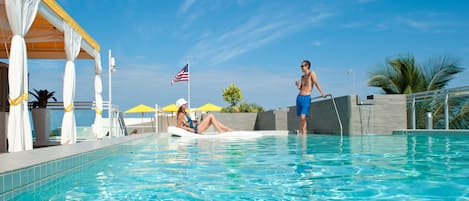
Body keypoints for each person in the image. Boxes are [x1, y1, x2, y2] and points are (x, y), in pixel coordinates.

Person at [295, 60, 327, 135]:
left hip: (306, 97)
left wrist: (322, 93)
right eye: (301, 66)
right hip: (299, 97)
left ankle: (304, 133)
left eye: (302, 66)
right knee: (301, 118)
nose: (301, 67)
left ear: (307, 66)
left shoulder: (311, 73)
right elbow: (301, 88)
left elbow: (316, 83)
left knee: (303, 117)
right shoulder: (302, 77)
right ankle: (301, 134)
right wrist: (297, 86)